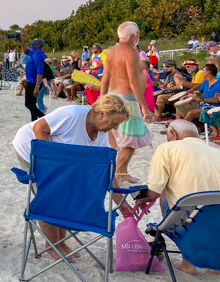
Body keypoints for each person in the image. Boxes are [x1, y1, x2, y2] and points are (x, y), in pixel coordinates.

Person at [13, 94, 130, 261]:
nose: (116, 128)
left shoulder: (102, 134)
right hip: (29, 148)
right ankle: (52, 244)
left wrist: (121, 202)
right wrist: (50, 165)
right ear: (101, 113)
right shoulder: (72, 115)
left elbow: (107, 171)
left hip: (61, 161)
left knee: (65, 195)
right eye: (114, 123)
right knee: (48, 195)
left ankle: (60, 242)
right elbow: (39, 128)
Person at [135, 119, 220, 276]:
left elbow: (153, 191)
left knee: (165, 189)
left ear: (172, 134)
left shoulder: (168, 148)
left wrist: (141, 198)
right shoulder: (216, 151)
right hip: (216, 224)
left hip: (191, 225)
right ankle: (216, 266)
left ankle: (188, 263)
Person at [100, 21, 154, 183]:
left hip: (112, 94)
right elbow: (133, 81)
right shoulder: (130, 52)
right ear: (132, 36)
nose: (138, 37)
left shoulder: (112, 51)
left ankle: (122, 172)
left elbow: (105, 78)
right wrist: (144, 106)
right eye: (137, 34)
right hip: (126, 99)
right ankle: (117, 174)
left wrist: (102, 99)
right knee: (131, 139)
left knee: (128, 139)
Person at [176, 63, 220, 130]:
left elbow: (216, 100)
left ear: (208, 72)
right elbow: (199, 93)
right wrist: (188, 96)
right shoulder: (206, 82)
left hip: (214, 106)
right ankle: (176, 127)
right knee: (179, 108)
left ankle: (179, 130)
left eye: (204, 70)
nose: (202, 72)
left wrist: (200, 99)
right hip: (204, 104)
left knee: (191, 113)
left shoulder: (218, 83)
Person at [19, 35, 47, 121]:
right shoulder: (35, 52)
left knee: (28, 104)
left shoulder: (38, 55)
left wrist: (37, 87)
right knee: (33, 104)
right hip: (31, 82)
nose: (31, 45)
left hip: (33, 83)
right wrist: (20, 40)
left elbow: (40, 73)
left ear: (37, 45)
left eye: (33, 44)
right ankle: (34, 122)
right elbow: (25, 50)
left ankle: (43, 118)